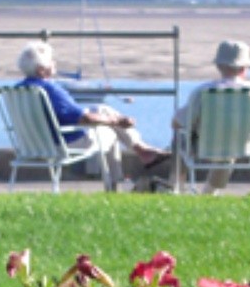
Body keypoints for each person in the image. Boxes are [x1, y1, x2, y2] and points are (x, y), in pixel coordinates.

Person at [15, 41, 169, 190]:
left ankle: (142, 149)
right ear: (42, 70)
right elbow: (84, 119)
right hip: (64, 144)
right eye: (51, 61)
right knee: (111, 132)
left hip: (32, 145)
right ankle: (114, 187)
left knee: (101, 109)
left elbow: (74, 114)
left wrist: (107, 118)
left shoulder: (17, 91)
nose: (55, 63)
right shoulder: (50, 89)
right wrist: (116, 121)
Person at [174, 41, 250, 194]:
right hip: (245, 146)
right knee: (230, 147)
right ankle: (210, 190)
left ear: (218, 66)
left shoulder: (203, 91)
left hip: (206, 146)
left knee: (180, 138)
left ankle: (177, 185)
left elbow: (179, 122)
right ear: (244, 68)